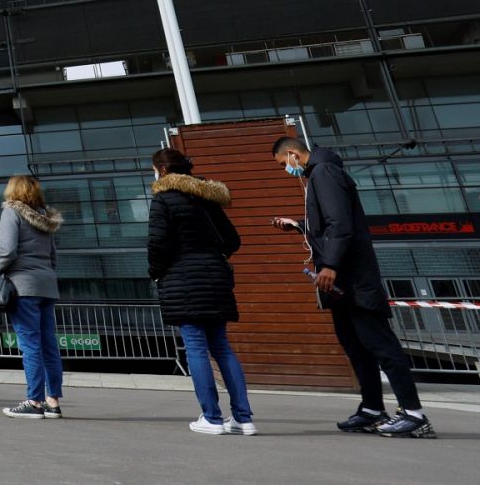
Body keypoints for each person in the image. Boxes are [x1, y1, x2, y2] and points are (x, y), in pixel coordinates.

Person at [272, 137, 433, 438]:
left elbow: (340, 224)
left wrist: (330, 264)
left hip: (353, 278)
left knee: (380, 344)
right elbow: (328, 227)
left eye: (284, 164)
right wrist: (297, 225)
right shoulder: (318, 174)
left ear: (293, 153)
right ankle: (372, 409)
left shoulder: (324, 173)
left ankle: (414, 414)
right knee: (356, 347)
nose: (286, 170)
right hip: (341, 281)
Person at [148, 149, 255, 436]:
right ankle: (243, 418)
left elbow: (157, 242)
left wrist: (156, 271)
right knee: (221, 346)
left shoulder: (163, 199)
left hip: (183, 278)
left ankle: (212, 417)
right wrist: (212, 256)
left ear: (162, 170)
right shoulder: (208, 199)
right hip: (216, 276)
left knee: (196, 347)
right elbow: (233, 239)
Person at [0, 175, 64, 420]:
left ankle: (34, 402)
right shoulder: (45, 218)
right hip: (47, 285)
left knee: (30, 345)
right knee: (48, 345)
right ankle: (52, 401)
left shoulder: (12, 213)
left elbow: (7, 249)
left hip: (23, 286)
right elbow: (53, 255)